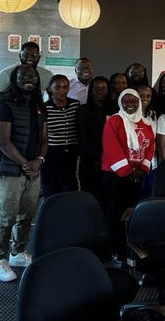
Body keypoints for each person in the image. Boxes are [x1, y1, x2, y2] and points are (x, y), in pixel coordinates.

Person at [0, 65, 47, 282]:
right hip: (8, 170)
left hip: (33, 170)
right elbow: (3, 142)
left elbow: (45, 138)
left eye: (32, 76)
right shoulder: (3, 104)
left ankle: (17, 252)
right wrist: (26, 164)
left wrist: (39, 161)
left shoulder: (38, 104)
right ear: (14, 79)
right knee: (6, 216)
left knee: (27, 214)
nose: (28, 79)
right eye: (23, 76)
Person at [101, 89, 154, 259]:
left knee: (134, 212)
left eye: (134, 101)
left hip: (138, 175)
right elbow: (111, 147)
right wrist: (128, 171)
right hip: (116, 175)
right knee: (116, 213)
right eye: (126, 101)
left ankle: (133, 248)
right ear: (120, 103)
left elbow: (150, 147)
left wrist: (142, 168)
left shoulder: (146, 123)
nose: (130, 104)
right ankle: (116, 250)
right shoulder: (114, 121)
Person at [41, 75, 80, 198]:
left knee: (70, 189)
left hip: (72, 152)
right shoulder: (45, 107)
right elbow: (43, 134)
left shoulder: (75, 104)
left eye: (65, 87)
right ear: (50, 89)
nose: (62, 90)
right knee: (51, 188)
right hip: (52, 153)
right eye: (57, 87)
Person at [77, 76, 111, 209]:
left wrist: (106, 158)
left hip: (110, 163)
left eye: (103, 88)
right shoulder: (83, 111)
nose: (100, 91)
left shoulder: (114, 110)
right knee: (89, 199)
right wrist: (98, 157)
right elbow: (82, 138)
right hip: (89, 162)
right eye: (96, 88)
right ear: (91, 90)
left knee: (108, 199)